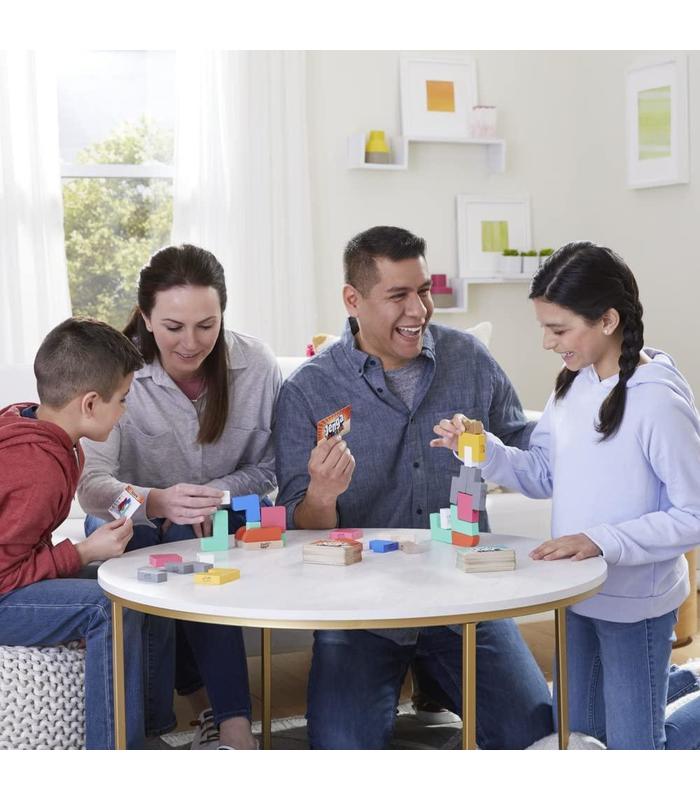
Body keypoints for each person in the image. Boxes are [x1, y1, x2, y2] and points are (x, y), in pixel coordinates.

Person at [274, 225, 553, 749]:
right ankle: (429, 682)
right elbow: (295, 527)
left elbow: (527, 450)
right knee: (342, 749)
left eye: (424, 290)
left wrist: (503, 443)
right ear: (352, 300)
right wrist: (321, 495)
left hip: (465, 600)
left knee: (535, 736)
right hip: (360, 613)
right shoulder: (308, 390)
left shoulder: (469, 359)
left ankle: (438, 680)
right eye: (398, 295)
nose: (418, 310)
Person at [432, 241, 700, 749]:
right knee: (576, 739)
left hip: (636, 605)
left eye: (558, 330)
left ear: (607, 320)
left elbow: (693, 513)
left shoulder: (658, 402)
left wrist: (599, 540)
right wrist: (484, 449)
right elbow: (542, 474)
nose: (546, 343)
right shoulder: (572, 387)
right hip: (576, 594)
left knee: (635, 754)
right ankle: (667, 686)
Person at [78, 244, 282, 750]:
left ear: (223, 315)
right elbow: (92, 487)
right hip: (136, 520)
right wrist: (156, 502)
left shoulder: (256, 366)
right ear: (147, 318)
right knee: (150, 544)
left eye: (206, 325)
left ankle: (234, 729)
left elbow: (272, 467)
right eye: (173, 327)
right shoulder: (114, 374)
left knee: (203, 545)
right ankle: (165, 722)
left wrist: (215, 496)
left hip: (225, 513)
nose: (191, 343)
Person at [0, 317, 146, 749]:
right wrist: (82, 552)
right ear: (90, 404)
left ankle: (147, 726)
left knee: (131, 585)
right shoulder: (38, 467)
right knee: (110, 607)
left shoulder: (39, 430)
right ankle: (115, 753)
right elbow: (5, 576)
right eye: (122, 399)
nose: (124, 412)